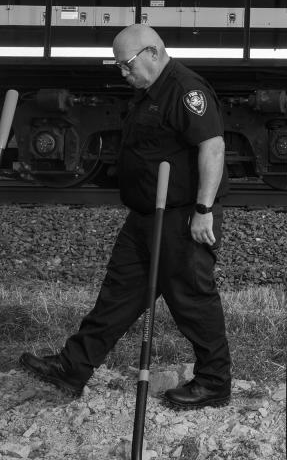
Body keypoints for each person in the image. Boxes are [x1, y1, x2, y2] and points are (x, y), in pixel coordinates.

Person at [20, 23, 232, 409]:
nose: (122, 72)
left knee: (191, 300)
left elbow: (213, 148)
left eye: (127, 64)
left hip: (181, 216)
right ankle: (73, 367)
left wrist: (203, 210)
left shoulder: (186, 90)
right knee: (116, 296)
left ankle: (214, 381)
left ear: (153, 52)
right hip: (145, 216)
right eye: (118, 65)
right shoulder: (150, 89)